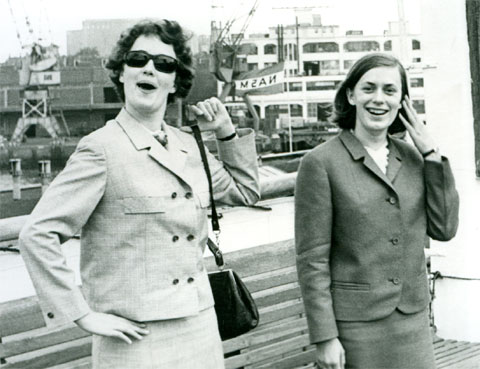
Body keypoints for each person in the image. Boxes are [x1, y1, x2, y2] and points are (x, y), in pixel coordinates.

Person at [18, 19, 260, 369]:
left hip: (201, 328)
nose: (150, 68)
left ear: (175, 80)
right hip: (135, 340)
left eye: (164, 64)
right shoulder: (101, 149)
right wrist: (83, 315)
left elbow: (245, 191)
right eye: (138, 59)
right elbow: (37, 234)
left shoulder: (188, 145)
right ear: (121, 72)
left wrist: (225, 133)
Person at [294, 53, 459, 369]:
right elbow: (312, 259)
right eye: (368, 88)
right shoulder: (320, 163)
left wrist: (433, 156)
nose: (378, 99)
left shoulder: (414, 159)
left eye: (389, 90)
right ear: (350, 95)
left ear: (402, 101)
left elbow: (445, 228)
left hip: (412, 321)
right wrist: (325, 337)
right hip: (355, 327)